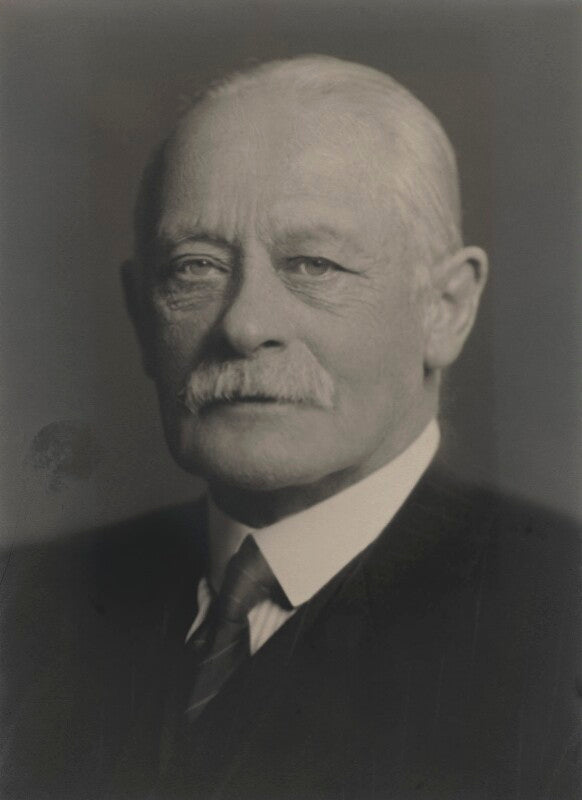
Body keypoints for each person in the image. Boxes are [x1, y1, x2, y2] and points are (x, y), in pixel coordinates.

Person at [1, 55, 580, 800]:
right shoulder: (22, 606)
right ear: (141, 316)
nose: (245, 325)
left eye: (313, 264)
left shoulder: (562, 622)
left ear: (446, 309)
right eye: (196, 267)